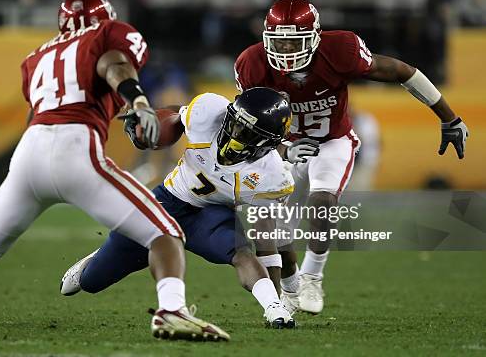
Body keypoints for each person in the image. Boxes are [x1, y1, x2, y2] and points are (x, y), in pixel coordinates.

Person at [0, 0, 229, 342]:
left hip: (29, 153)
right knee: (166, 233)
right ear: (104, 18)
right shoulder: (107, 35)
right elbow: (112, 63)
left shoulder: (36, 57)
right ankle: (171, 310)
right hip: (75, 149)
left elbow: (35, 113)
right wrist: (138, 99)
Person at [234, 0, 469, 315]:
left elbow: (402, 71)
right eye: (279, 42)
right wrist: (285, 149)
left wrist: (449, 117)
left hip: (332, 140)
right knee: (272, 230)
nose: (285, 50)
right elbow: (253, 126)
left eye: (294, 42)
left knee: (321, 202)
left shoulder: (340, 50)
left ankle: (312, 277)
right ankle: (288, 290)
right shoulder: (252, 63)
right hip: (283, 144)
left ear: (314, 38)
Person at [61, 88, 307, 328]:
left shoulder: (273, 177)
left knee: (242, 253)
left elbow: (266, 241)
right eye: (235, 122)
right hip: (168, 202)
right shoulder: (209, 112)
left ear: (267, 144)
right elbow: (176, 116)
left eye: (247, 132)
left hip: (210, 216)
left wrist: (275, 299)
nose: (234, 133)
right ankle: (97, 257)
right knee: (92, 281)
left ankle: (273, 308)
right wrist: (152, 123)